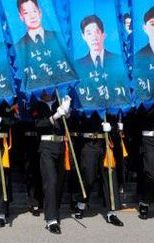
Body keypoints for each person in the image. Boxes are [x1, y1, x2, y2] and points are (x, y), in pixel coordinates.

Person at [72, 112, 124, 227]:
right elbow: (79, 117)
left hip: (105, 142)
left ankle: (111, 212)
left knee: (110, 176)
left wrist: (114, 126)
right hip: (89, 143)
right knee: (89, 178)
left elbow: (114, 116)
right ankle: (81, 203)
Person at [30, 92, 70, 234]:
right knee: (50, 181)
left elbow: (69, 125)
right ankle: (51, 220)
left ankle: (54, 209)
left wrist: (67, 111)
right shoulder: (37, 106)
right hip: (46, 146)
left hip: (60, 146)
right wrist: (55, 117)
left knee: (59, 182)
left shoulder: (59, 103)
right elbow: (38, 124)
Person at [15, 0, 77, 90]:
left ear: (40, 12)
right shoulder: (20, 47)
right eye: (26, 13)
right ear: (21, 17)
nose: (32, 16)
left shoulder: (58, 38)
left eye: (34, 11)